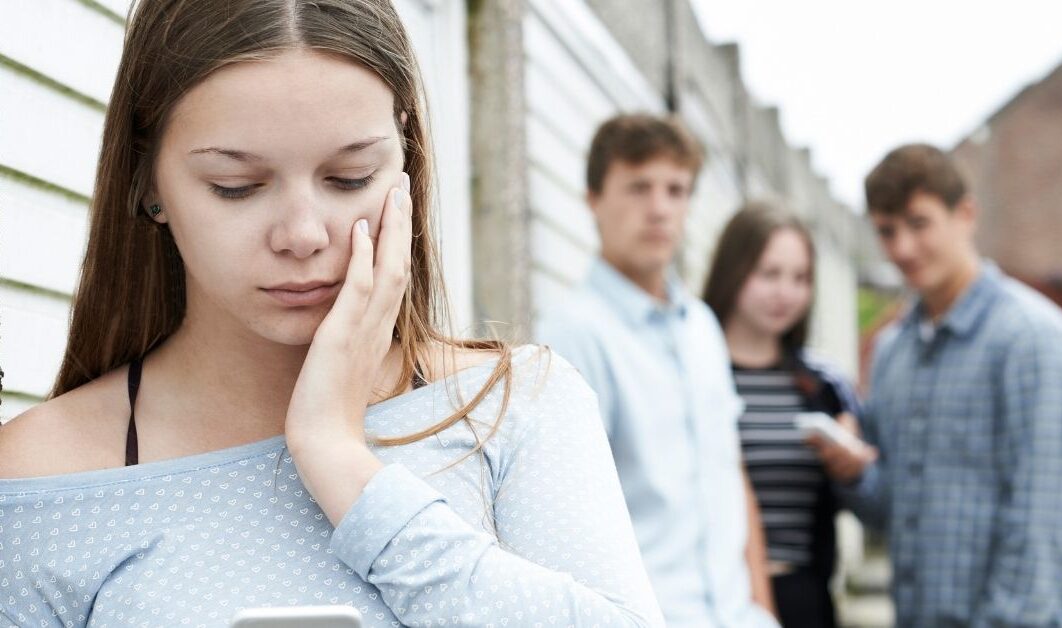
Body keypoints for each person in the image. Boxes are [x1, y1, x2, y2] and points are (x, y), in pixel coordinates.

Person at [0, 2, 664, 626]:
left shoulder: (513, 407)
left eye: (349, 177)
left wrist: (338, 459)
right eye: (237, 188)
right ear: (148, 182)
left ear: (405, 158)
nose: (303, 233)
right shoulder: (41, 476)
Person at [810, 143, 1062, 626]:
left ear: (965, 215)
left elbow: (1047, 526)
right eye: (887, 231)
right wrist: (852, 472)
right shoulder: (894, 352)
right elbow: (894, 513)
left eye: (918, 223)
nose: (902, 249)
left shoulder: (1032, 339)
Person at [536, 113, 779, 628]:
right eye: (639, 187)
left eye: (676, 189)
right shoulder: (571, 336)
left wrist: (761, 608)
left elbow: (730, 472)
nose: (659, 209)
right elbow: (560, 517)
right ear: (594, 200)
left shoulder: (704, 328)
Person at [701, 202, 862, 628]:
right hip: (710, 598)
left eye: (800, 278)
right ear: (734, 270)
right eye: (769, 274)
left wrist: (853, 468)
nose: (784, 293)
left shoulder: (823, 386)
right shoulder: (692, 374)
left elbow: (867, 500)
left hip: (803, 598)